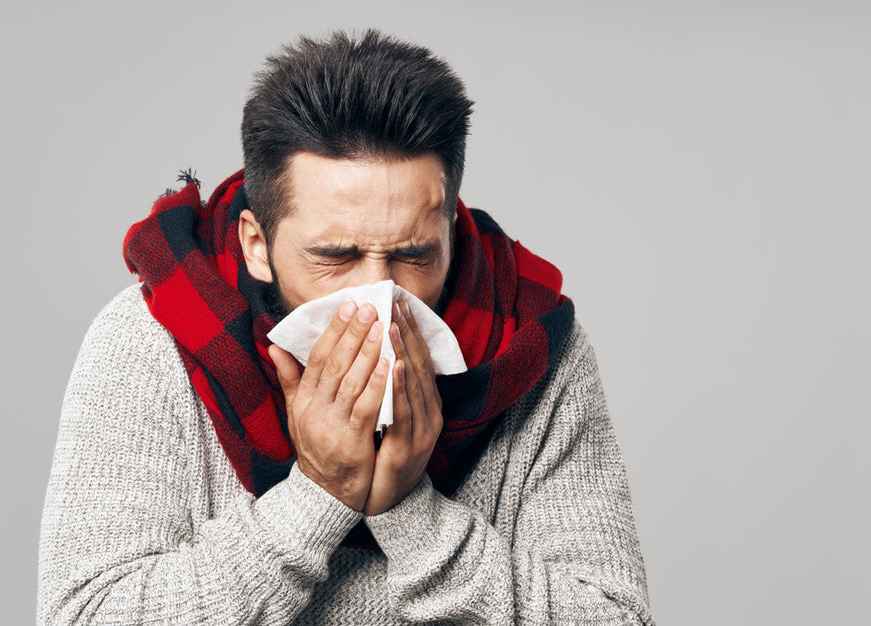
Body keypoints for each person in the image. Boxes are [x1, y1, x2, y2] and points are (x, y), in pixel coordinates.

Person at [38, 29, 654, 625]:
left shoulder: (535, 348)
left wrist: (414, 515)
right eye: (334, 257)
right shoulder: (151, 341)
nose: (376, 295)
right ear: (258, 245)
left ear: (452, 236)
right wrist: (319, 492)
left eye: (414, 256)